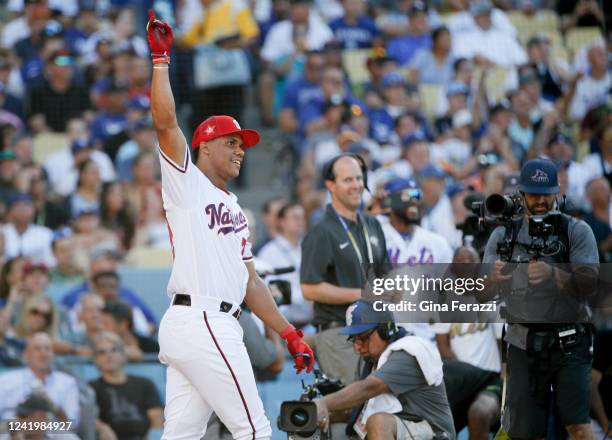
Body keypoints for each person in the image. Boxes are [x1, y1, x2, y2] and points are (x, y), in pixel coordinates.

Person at [146, 12, 315, 439]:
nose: (240, 150)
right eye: (231, 143)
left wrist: (288, 332)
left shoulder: (237, 210)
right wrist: (161, 61)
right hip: (203, 319)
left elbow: (250, 283)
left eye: (243, 144)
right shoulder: (186, 184)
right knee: (255, 430)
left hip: (202, 323)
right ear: (204, 148)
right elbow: (166, 123)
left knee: (181, 436)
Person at [480, 158, 599, 439]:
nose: (540, 200)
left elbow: (591, 285)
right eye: (533, 193)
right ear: (521, 194)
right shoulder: (503, 235)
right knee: (523, 432)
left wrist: (554, 275)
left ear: (557, 192)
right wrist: (493, 279)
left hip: (570, 338)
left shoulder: (576, 231)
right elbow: (479, 293)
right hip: (523, 340)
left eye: (546, 193)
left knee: (578, 426)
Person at [301, 153, 390, 386]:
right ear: (331, 185)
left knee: (377, 409)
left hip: (377, 331)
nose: (357, 185)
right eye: (348, 180)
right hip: (340, 333)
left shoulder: (372, 223)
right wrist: (362, 295)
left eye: (359, 179)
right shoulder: (321, 231)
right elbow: (309, 288)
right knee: (348, 410)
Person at [314, 300, 456, 439]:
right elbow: (361, 409)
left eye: (362, 338)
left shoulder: (407, 351)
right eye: (353, 339)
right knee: (330, 428)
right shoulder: (372, 359)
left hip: (435, 433)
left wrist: (324, 403)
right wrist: (323, 411)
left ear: (385, 330)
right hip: (407, 429)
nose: (357, 347)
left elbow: (368, 388)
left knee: (379, 423)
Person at [90, 331, 163, 440]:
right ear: (96, 360)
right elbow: (87, 417)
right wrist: (102, 428)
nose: (108, 355)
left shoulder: (145, 384)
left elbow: (157, 421)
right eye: (102, 352)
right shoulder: (91, 388)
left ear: (123, 355)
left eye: (114, 350)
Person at [0, 332, 80, 426]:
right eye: (37, 349)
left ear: (53, 354)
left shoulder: (67, 382)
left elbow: (73, 424)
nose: (43, 353)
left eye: (47, 349)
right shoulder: (5, 381)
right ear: (26, 355)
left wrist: (53, 408)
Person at [257, 203, 312, 327]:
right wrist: (308, 295)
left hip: (310, 320)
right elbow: (268, 290)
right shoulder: (269, 252)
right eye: (295, 217)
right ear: (281, 221)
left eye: (302, 218)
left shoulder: (307, 247)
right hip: (285, 323)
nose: (300, 222)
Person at [377, 178, 453, 266]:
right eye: (406, 196)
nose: (413, 201)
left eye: (416, 196)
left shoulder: (438, 243)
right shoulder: (374, 237)